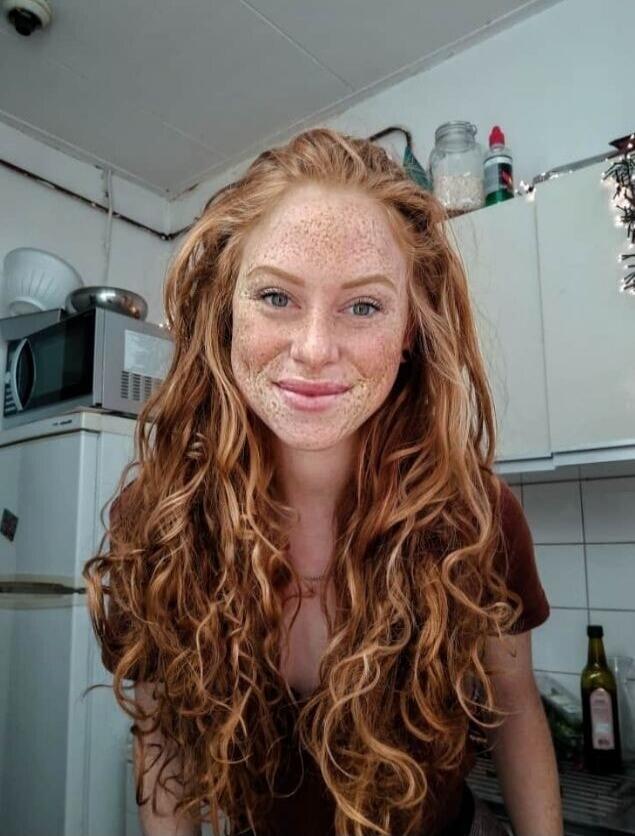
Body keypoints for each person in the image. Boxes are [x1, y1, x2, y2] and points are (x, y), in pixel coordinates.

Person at [83, 127, 563, 836]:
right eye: (275, 296)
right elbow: (164, 740)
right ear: (226, 313)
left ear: (407, 331)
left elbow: (516, 708)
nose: (312, 349)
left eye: (363, 306)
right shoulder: (158, 519)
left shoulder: (475, 517)